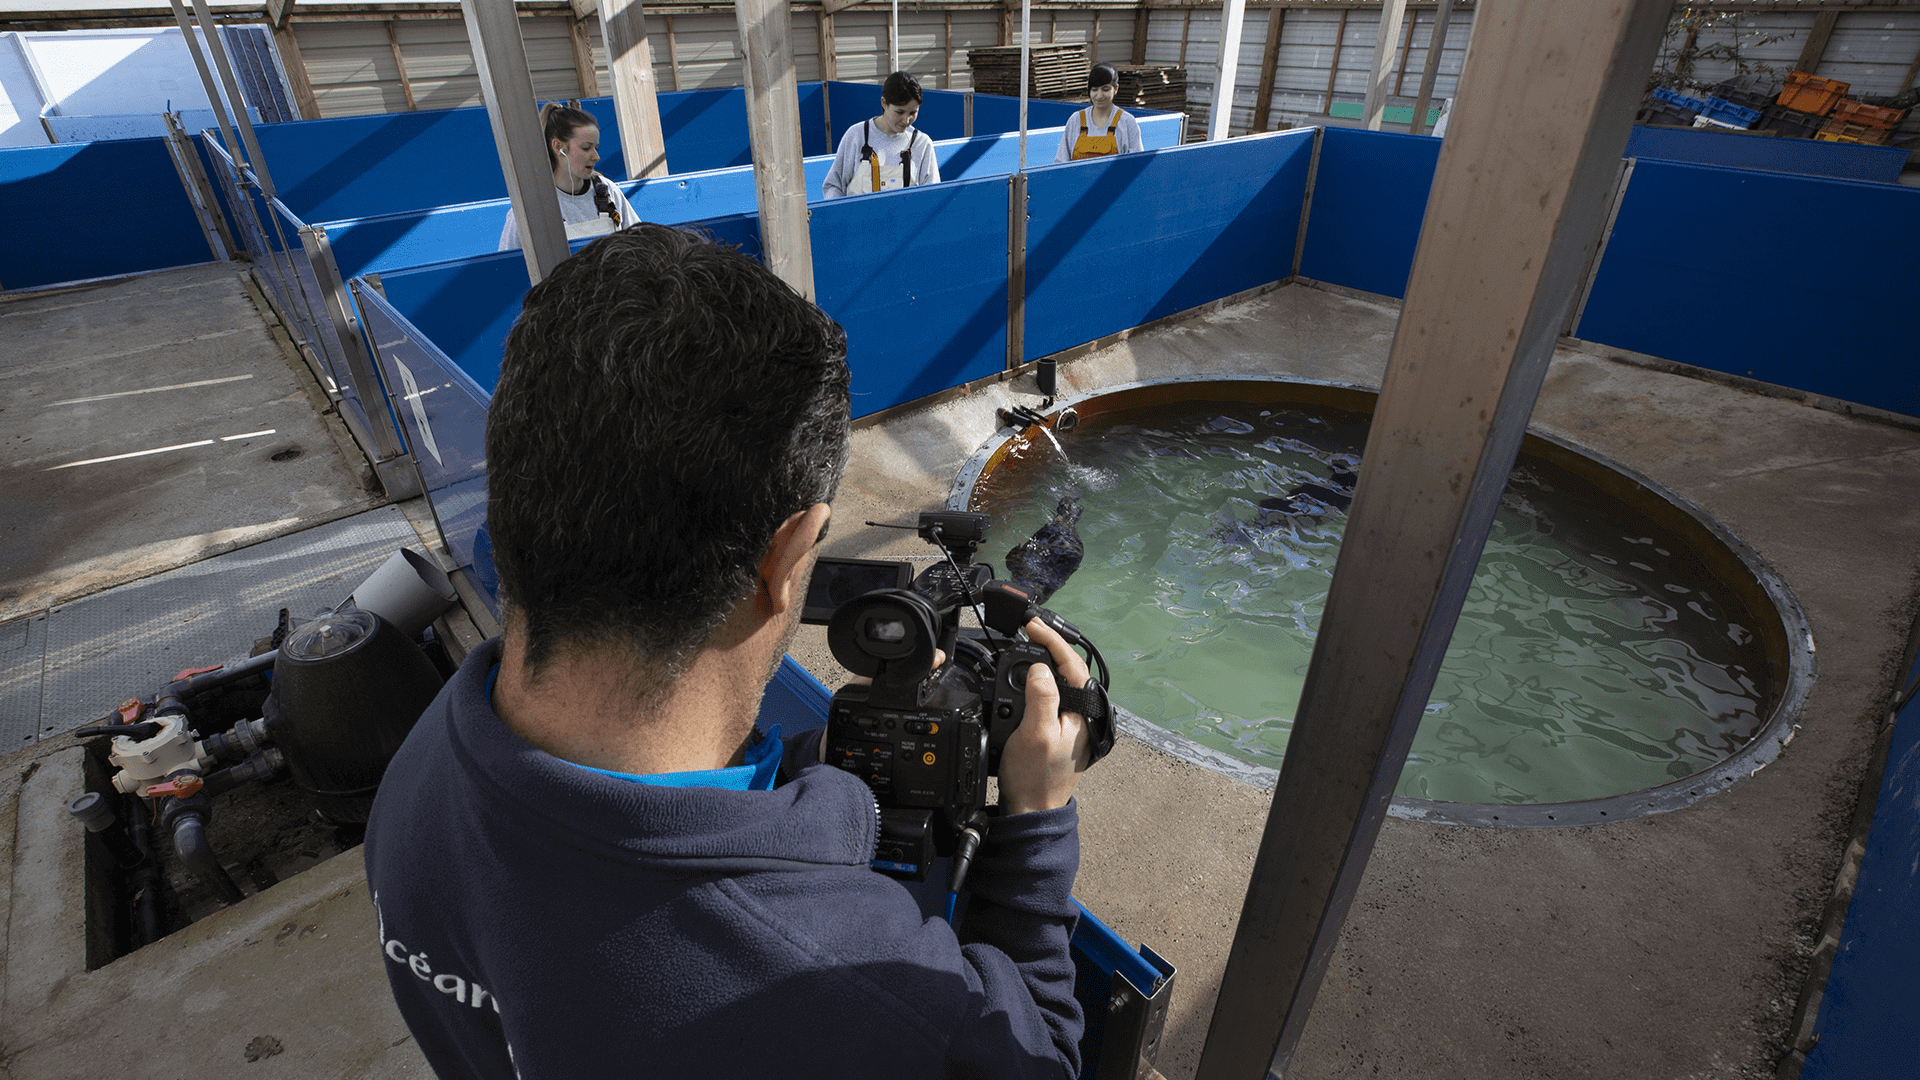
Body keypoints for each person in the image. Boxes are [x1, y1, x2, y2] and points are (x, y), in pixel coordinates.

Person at [364, 224, 1095, 1079]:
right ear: (787, 560)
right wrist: (1036, 830)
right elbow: (1040, 1056)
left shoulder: (420, 771)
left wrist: (816, 776)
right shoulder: (858, 990)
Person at [498, 102, 641, 251]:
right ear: (559, 147)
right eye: (586, 148)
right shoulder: (530, 210)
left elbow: (639, 244)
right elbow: (508, 266)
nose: (596, 156)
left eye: (596, 148)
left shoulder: (608, 191)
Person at [822, 71, 941, 198]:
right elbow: (833, 186)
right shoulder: (856, 135)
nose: (906, 120)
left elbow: (932, 197)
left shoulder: (922, 143)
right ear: (884, 103)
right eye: (899, 112)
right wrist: (843, 214)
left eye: (913, 112)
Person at [1053, 64, 1145, 163]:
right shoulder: (1076, 120)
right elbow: (1060, 164)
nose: (1099, 95)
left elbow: (1136, 165)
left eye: (1105, 89)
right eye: (1094, 90)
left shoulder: (1127, 123)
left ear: (1116, 89)